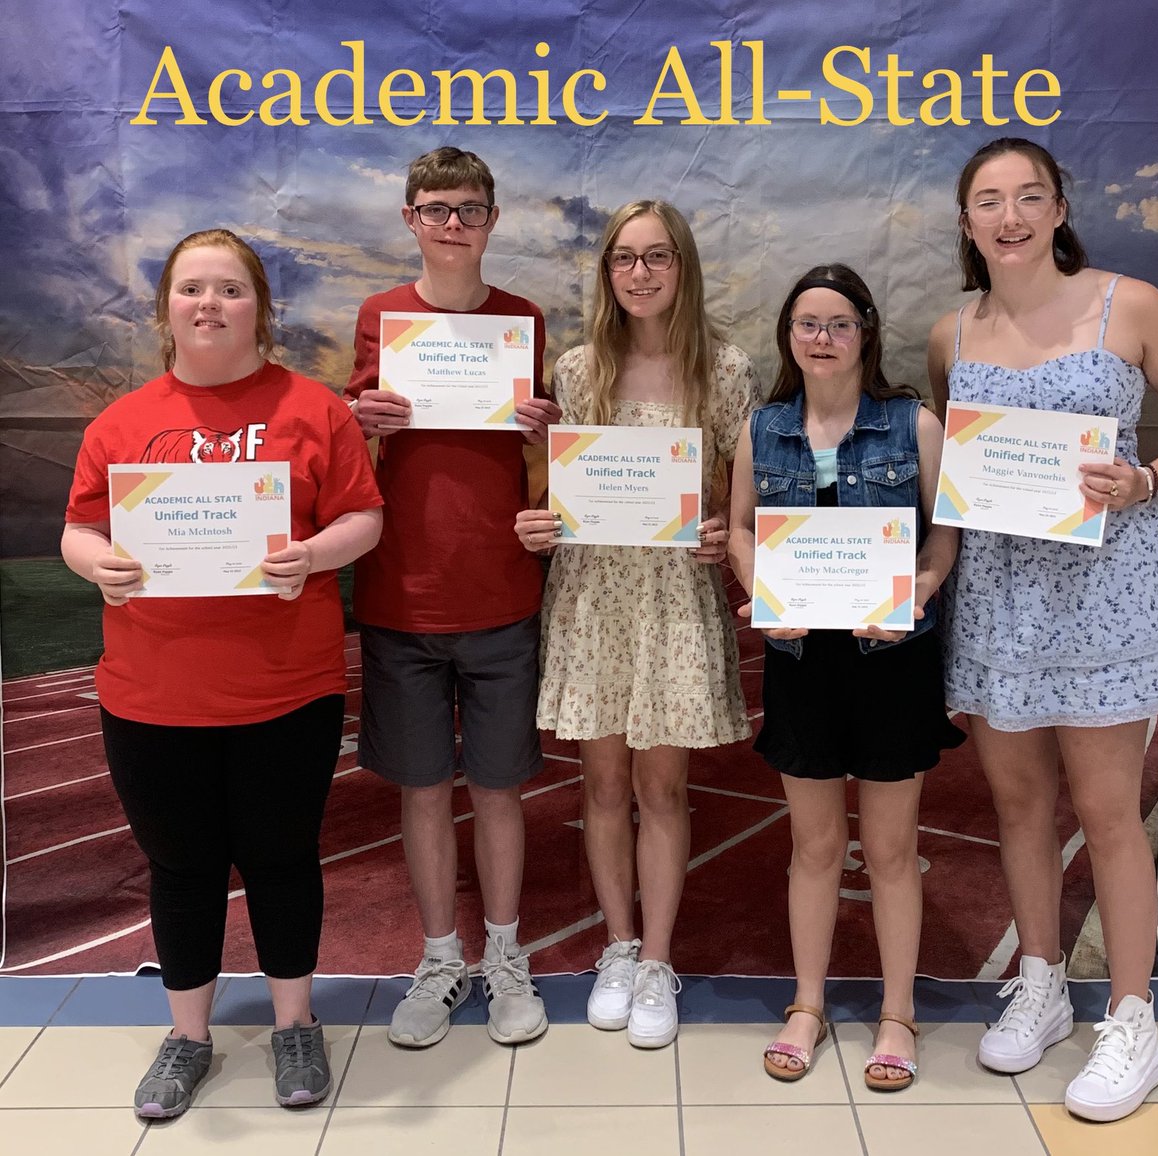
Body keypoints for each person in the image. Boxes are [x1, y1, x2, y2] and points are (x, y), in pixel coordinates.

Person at [61, 228, 384, 1117]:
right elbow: (79, 529)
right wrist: (99, 564)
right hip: (152, 691)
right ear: (166, 308)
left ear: (261, 310)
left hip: (285, 687)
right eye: (193, 289)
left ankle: (293, 1025)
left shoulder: (313, 411)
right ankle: (189, 1037)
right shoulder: (122, 424)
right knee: (182, 867)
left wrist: (314, 553)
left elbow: (364, 518)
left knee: (283, 860)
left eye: (231, 290)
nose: (211, 305)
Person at [928, 137, 1158, 1122]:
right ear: (968, 221)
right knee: (1016, 803)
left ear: (1056, 208)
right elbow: (957, 475)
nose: (1009, 216)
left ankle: (1132, 1019)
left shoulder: (1128, 305)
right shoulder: (949, 334)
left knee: (1109, 810)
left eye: (1027, 196)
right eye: (989, 200)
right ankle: (1041, 982)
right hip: (1003, 596)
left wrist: (1146, 479)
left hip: (1108, 595)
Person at [515, 199, 758, 1048]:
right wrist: (535, 522)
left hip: (673, 603)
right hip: (592, 599)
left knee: (663, 789)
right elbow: (551, 494)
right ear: (606, 272)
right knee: (602, 789)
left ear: (683, 268)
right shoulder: (576, 371)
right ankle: (618, 944)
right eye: (625, 259)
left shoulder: (724, 371)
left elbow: (738, 507)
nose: (641, 274)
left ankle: (658, 959)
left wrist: (727, 534)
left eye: (658, 258)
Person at [727, 264, 962, 1090]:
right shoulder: (764, 429)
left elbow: (944, 537)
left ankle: (897, 1013)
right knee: (816, 845)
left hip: (893, 659)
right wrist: (763, 589)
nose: (820, 339)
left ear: (866, 330)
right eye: (805, 325)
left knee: (894, 849)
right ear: (788, 337)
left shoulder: (914, 424)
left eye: (837, 323)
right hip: (803, 660)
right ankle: (808, 1002)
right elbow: (740, 530)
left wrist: (919, 590)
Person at [345, 147, 560, 1050]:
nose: (453, 225)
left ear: (493, 219)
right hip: (402, 597)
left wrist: (546, 436)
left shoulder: (525, 322)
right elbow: (351, 461)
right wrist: (363, 422)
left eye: (469, 209)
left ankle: (504, 955)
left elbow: (546, 470)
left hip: (503, 593)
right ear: (409, 219)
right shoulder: (379, 318)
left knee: (503, 788)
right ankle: (440, 958)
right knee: (427, 789)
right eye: (436, 209)